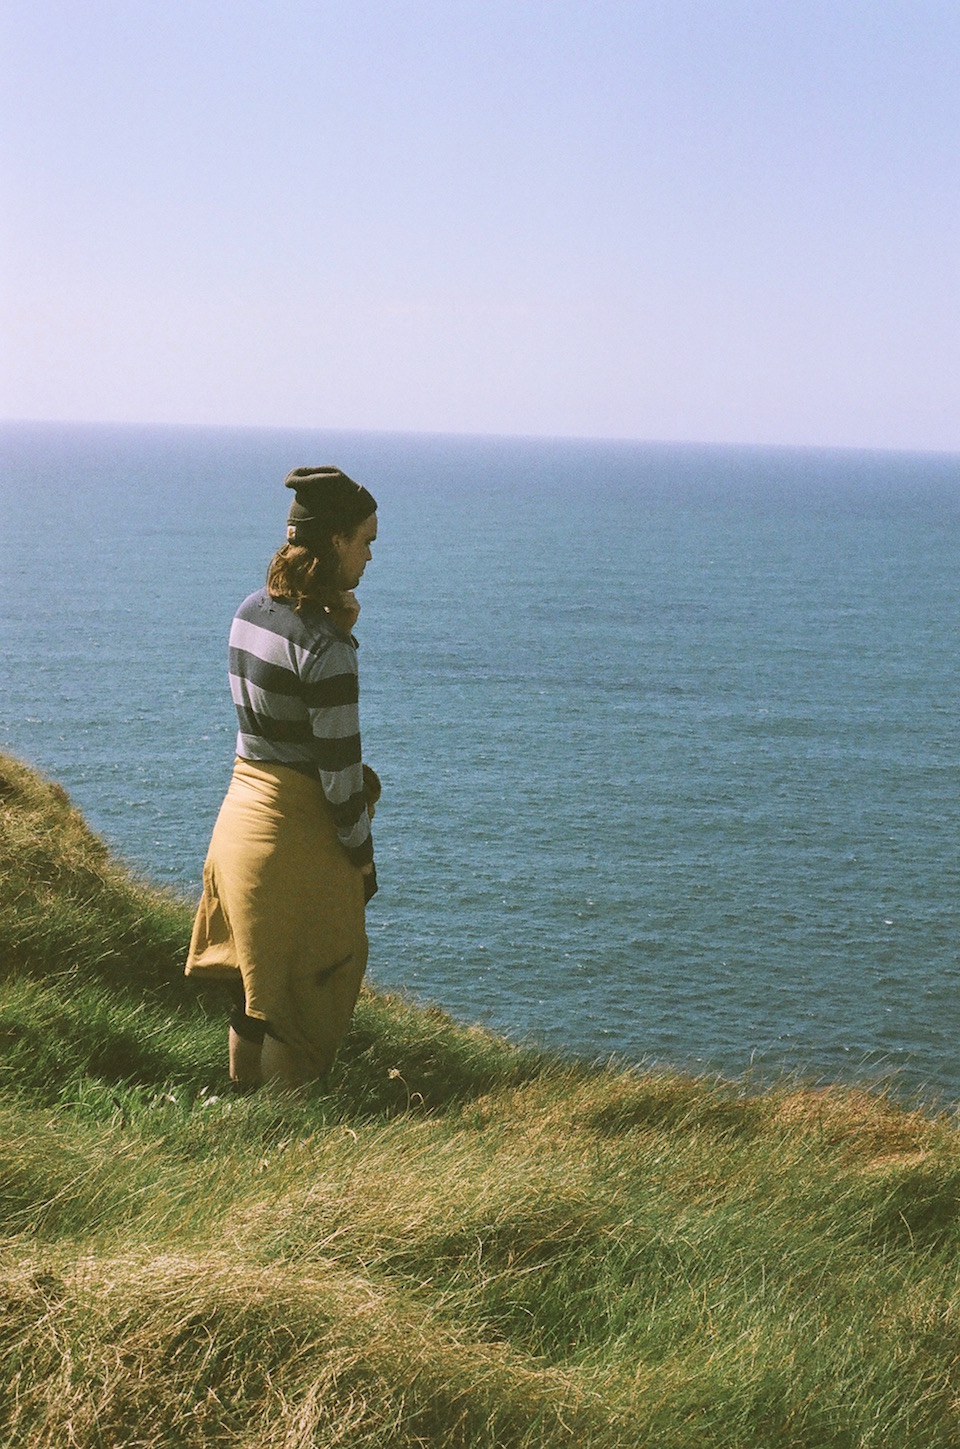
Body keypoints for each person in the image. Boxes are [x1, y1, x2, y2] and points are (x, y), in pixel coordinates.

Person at [185, 466, 379, 1090]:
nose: (371, 556)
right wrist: (362, 861)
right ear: (334, 542)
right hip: (293, 848)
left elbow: (274, 720)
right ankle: (284, 1149)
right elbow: (340, 782)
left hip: (238, 829)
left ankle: (244, 1127)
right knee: (304, 1009)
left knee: (254, 996)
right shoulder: (328, 652)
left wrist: (332, 626)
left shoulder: (249, 612)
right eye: (365, 541)